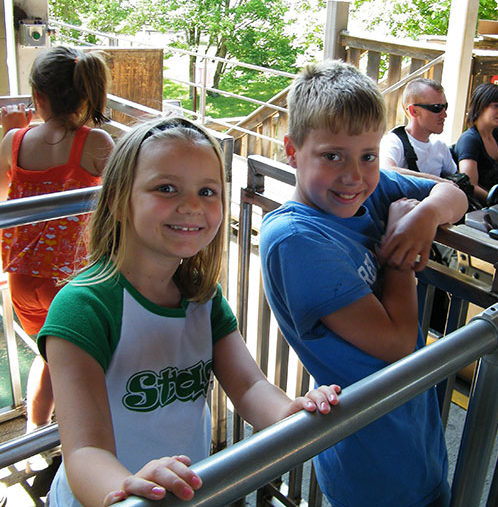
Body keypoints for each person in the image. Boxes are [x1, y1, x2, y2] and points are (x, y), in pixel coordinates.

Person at [37, 117, 340, 507]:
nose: (192, 206)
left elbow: (248, 387)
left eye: (208, 191)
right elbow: (84, 452)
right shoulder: (84, 308)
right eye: (166, 188)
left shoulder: (202, 298)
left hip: (182, 495)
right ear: (117, 198)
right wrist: (129, 490)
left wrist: (290, 412)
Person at [259, 61, 467, 507]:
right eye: (332, 156)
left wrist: (425, 216)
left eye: (368, 156)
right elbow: (396, 343)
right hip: (370, 460)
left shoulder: (372, 192)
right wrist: (399, 254)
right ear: (293, 151)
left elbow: (454, 195)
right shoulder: (296, 240)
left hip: (416, 436)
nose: (354, 176)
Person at [0, 46, 115, 445]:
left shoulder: (13, 141)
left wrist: (9, 132)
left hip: (20, 280)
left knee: (49, 357)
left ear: (38, 98)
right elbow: (121, 201)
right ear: (87, 94)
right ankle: (63, 439)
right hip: (72, 282)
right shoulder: (96, 142)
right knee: (71, 362)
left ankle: (37, 433)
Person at [380, 78, 457, 181]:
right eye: (436, 108)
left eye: (445, 107)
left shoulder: (440, 146)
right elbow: (386, 170)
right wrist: (437, 181)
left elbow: (456, 178)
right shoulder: (394, 141)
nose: (444, 115)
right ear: (413, 111)